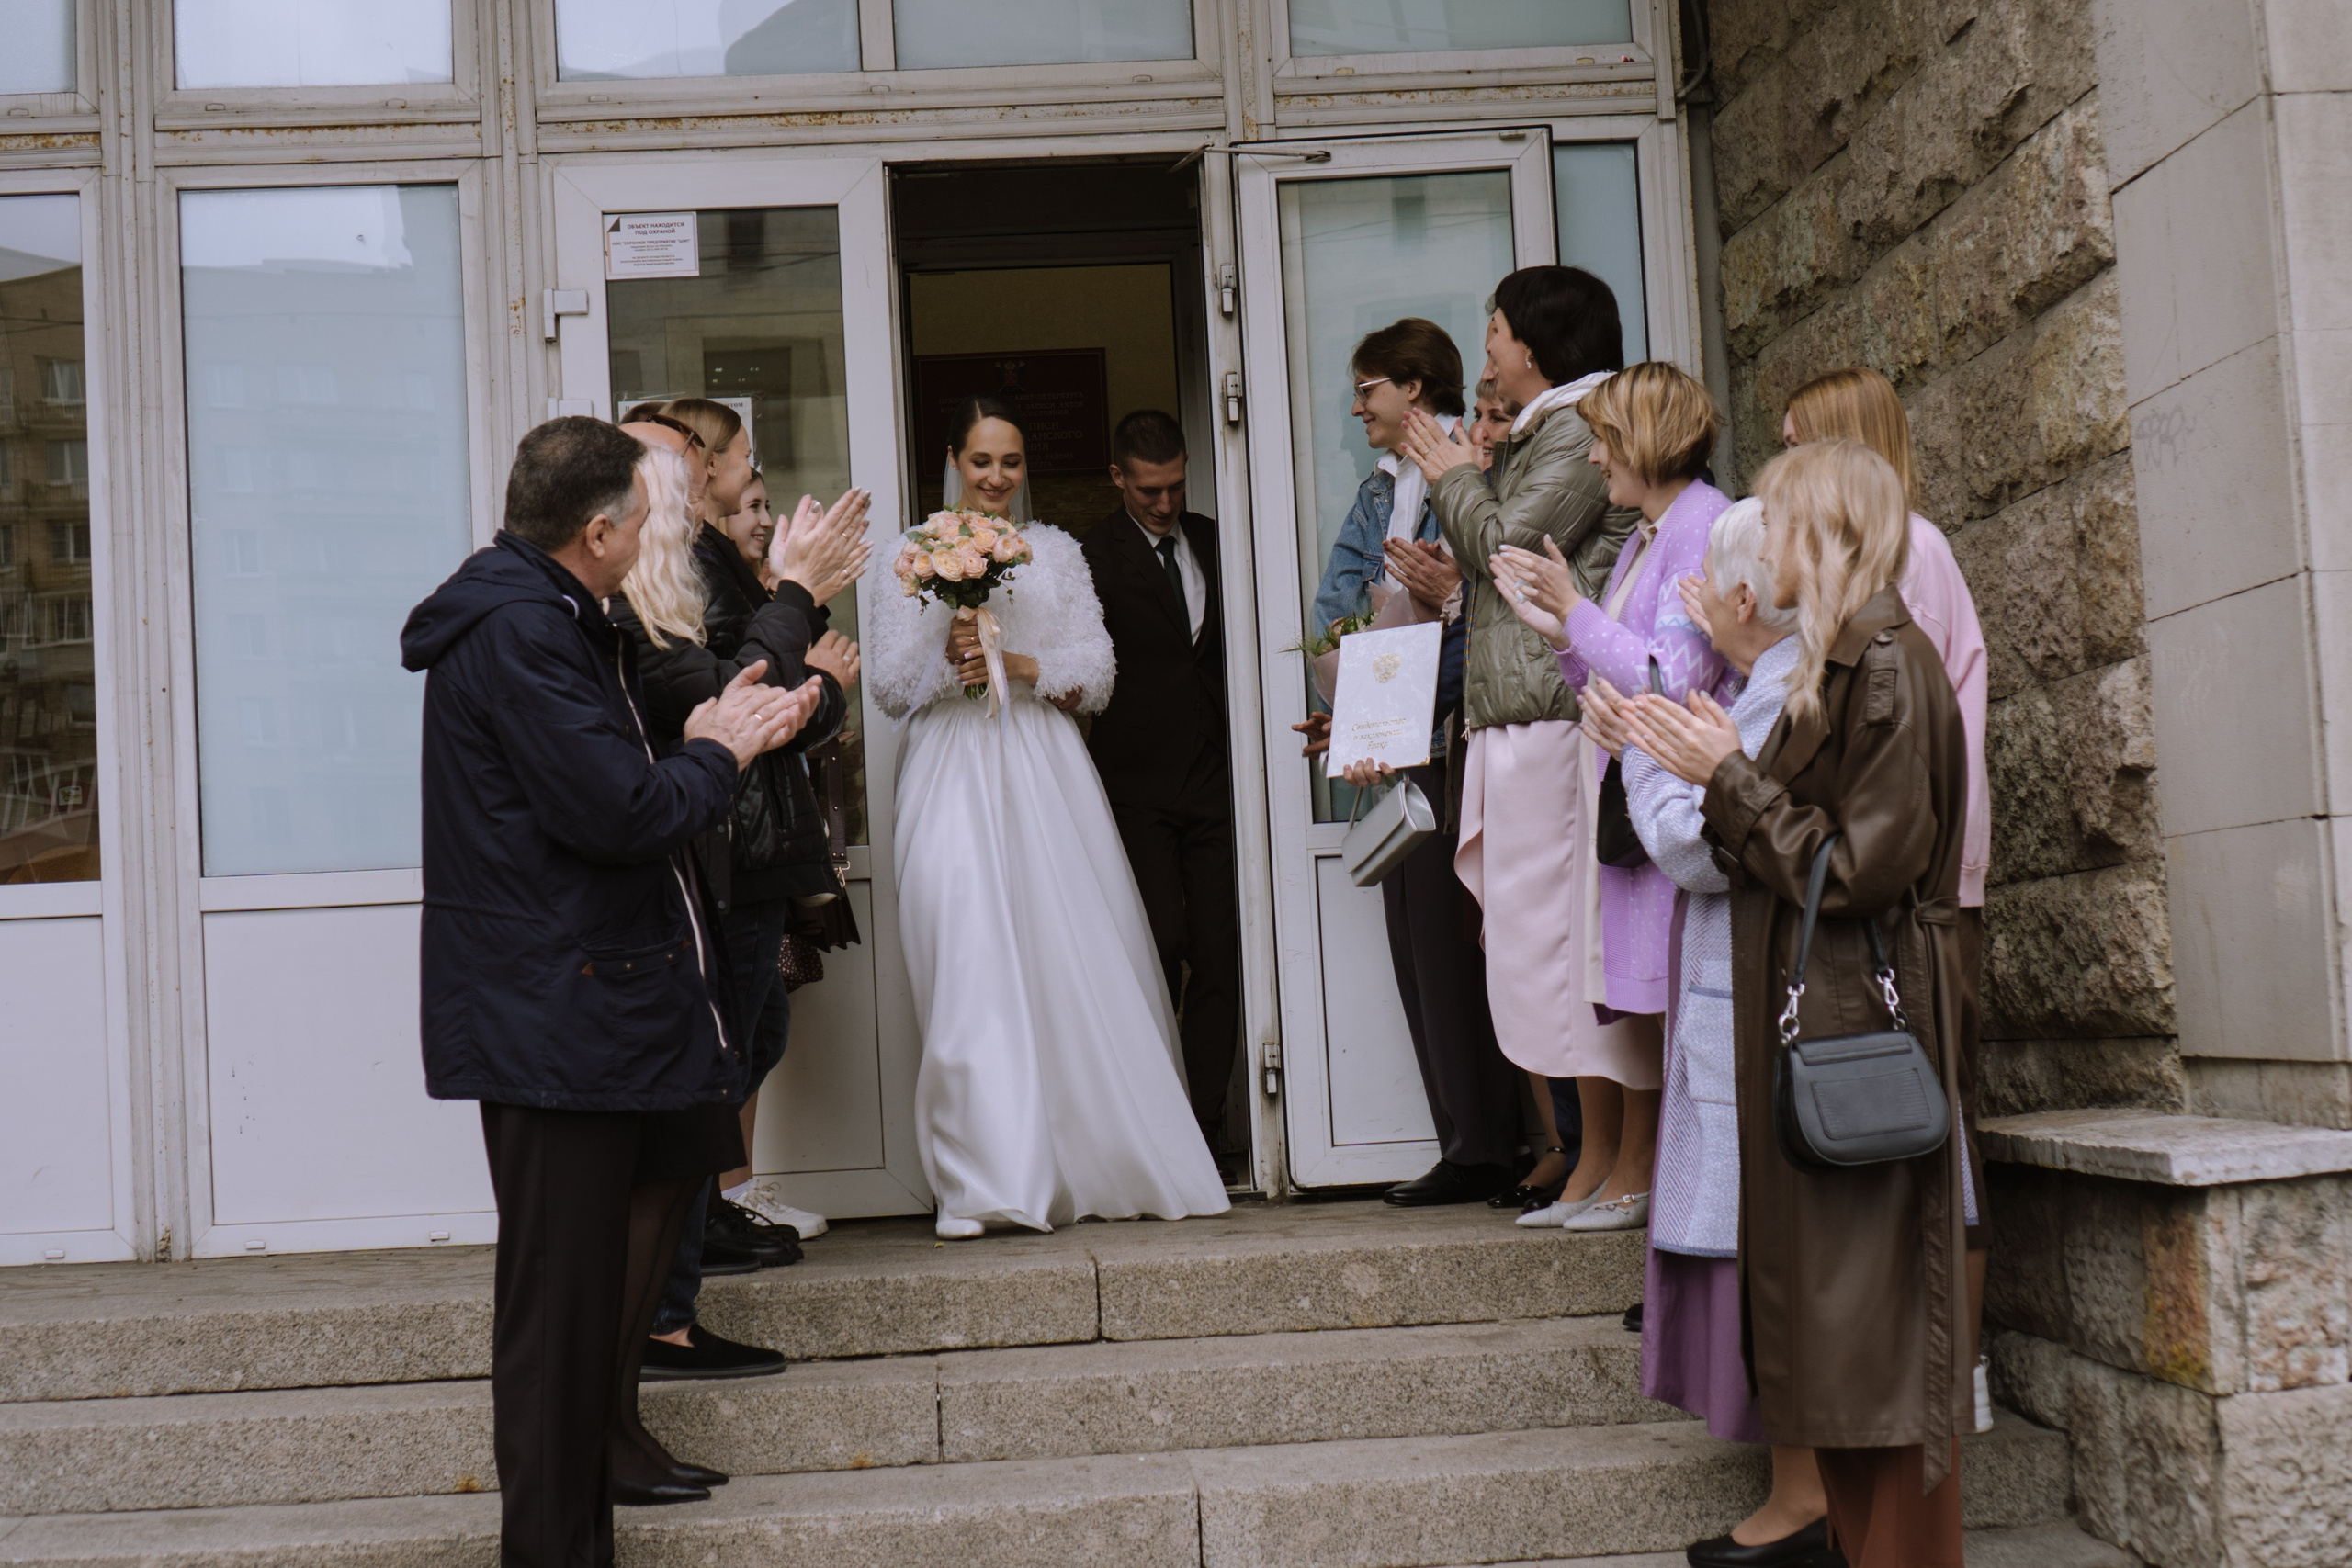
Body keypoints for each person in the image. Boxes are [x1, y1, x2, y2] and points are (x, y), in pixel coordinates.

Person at [399, 416, 822, 1558]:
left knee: (580, 1324)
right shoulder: (524, 633)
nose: (653, 539)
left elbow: (599, 777)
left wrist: (685, 732)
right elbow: (622, 815)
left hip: (585, 1007)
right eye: (643, 519)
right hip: (554, 1017)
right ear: (596, 530)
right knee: (554, 1328)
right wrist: (718, 748)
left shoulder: (550, 614)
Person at [1623, 438, 1973, 1568]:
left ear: (1821, 536)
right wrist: (1719, 768)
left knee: (1878, 1360)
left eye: (1776, 523)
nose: (1755, 545)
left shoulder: (1884, 670)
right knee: (1843, 1358)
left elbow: (1858, 869)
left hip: (1859, 1036)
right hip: (1821, 1032)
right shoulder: (1842, 664)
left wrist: (1727, 776)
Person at [865, 396, 1229, 1239]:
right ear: (953, 459)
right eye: (983, 460)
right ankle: (982, 1179)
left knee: (1063, 956)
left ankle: (1086, 1154)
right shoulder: (905, 554)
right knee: (965, 959)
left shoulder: (1058, 552)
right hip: (951, 767)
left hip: (1041, 764)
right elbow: (885, 687)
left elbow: (1097, 672)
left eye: (1012, 462)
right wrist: (949, 656)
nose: (997, 477)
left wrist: (1016, 661)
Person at [1579, 500, 1840, 1565]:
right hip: (1744, 997)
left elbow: (1695, 849)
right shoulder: (1759, 680)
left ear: (1739, 596)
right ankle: (1797, 1499)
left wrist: (1641, 750)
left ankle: (1803, 1503)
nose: (1695, 603)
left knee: (1770, 1264)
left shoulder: (1778, 686)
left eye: (1704, 590)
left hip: (1758, 1002)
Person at [608, 411, 870, 1380]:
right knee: (703, 1089)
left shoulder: (673, 578)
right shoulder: (629, 603)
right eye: (663, 474)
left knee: (732, 1067)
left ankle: (672, 1304)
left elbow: (740, 691)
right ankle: (664, 1316)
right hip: (703, 860)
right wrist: (801, 602)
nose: (670, 495)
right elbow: (735, 691)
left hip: (728, 851)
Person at [1390, 265, 1642, 1209]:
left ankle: (1619, 1163)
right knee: (1537, 947)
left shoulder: (1578, 429)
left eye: (1494, 331)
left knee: (1572, 948)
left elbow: (1504, 551)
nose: (1485, 348)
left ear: (1534, 344)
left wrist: (1454, 476)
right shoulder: (1552, 430)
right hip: (1514, 712)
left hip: (1551, 711)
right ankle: (1595, 1159)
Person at [1781, 366, 1994, 1424]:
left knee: (1927, 1119)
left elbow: (1926, 737)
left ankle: (1953, 1372)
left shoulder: (1914, 565)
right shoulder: (1866, 589)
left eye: (1793, 451)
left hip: (1924, 885)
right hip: (1912, 869)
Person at [1489, 363, 1733, 1234]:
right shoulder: (1644, 532)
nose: (1594, 458)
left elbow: (1672, 675)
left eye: (1604, 439)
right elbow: (1613, 667)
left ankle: (1661, 1195)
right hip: (1631, 798)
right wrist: (1563, 634)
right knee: (1637, 1008)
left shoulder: (1700, 524)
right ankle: (1641, 1186)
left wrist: (1575, 615)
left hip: (1670, 813)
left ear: (1644, 442)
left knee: (1670, 1014)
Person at [1295, 319, 1531, 1210]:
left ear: (1412, 394)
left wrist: (1389, 693)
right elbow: (1336, 611)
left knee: (1458, 946)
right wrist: (1349, 720)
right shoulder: (1373, 493)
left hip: (1453, 733)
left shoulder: (1463, 480)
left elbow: (1471, 610)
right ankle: (1461, 1138)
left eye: (1368, 390)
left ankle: (1493, 1143)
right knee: (1413, 945)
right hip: (1396, 742)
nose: (1356, 407)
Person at [1078, 409, 1243, 1165]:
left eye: (1175, 486)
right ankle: (1152, 1116)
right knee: (1159, 941)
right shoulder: (1091, 556)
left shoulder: (1219, 536)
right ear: (1118, 478)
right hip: (1136, 784)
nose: (1165, 504)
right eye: (1149, 490)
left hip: (1216, 778)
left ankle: (1202, 1127)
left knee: (1218, 953)